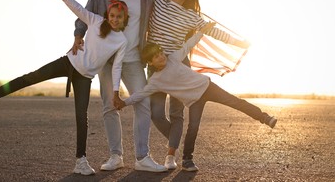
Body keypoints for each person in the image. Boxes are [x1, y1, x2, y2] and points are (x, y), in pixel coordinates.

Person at [0, 0, 130, 176]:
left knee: (82, 117)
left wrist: (115, 92)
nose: (114, 19)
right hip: (68, 62)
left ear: (124, 19)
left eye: (118, 17)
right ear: (108, 14)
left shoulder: (121, 41)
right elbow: (77, 8)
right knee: (31, 77)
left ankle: (81, 161)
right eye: (112, 15)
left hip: (85, 78)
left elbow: (116, 68)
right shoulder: (96, 21)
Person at [104, 0, 249, 170]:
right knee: (155, 113)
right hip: (156, 66)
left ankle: (171, 156)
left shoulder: (193, 16)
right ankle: (176, 139)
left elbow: (215, 33)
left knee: (176, 113)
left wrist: (240, 43)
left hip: (180, 66)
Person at [113, 23, 278, 172]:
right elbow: (140, 94)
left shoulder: (174, 58)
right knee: (193, 127)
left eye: (160, 52)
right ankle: (187, 160)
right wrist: (124, 102)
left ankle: (264, 117)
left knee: (236, 102)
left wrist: (202, 31)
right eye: (156, 56)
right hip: (194, 101)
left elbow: (188, 44)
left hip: (208, 87)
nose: (161, 56)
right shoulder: (155, 82)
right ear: (150, 62)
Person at [72, 0, 166, 172]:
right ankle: (116, 156)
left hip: (133, 59)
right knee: (109, 107)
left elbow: (166, 6)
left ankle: (142, 157)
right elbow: (84, 14)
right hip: (107, 58)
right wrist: (78, 35)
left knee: (143, 103)